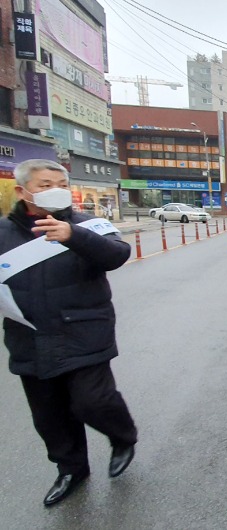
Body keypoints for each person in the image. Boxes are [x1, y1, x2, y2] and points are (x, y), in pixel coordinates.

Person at [0, 159, 137, 507]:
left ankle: (122, 437)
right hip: (29, 338)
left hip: (84, 333)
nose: (55, 189)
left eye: (60, 182)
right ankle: (71, 470)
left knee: (94, 401)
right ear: (23, 191)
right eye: (45, 184)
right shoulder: (4, 232)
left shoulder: (88, 225)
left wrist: (74, 236)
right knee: (50, 416)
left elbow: (117, 254)